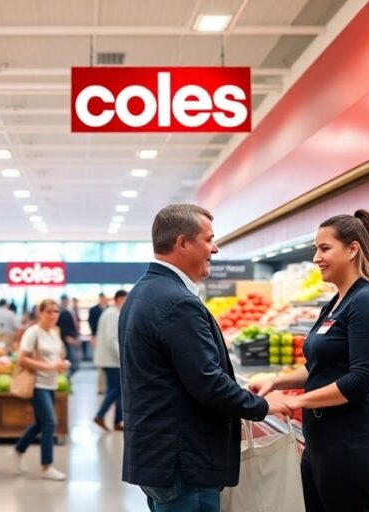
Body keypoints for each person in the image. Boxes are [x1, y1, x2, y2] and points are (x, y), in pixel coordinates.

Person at [120, 204, 285, 512]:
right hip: (184, 460)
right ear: (182, 243)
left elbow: (179, 376)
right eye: (209, 239)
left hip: (160, 456)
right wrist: (263, 406)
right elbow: (208, 383)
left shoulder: (144, 292)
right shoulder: (177, 302)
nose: (215, 248)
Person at [251, 210, 369, 512]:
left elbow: (360, 379)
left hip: (351, 444)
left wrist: (297, 402)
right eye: (316, 249)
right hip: (322, 442)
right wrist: (276, 381)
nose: (316, 257)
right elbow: (319, 365)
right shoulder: (337, 302)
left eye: (325, 248)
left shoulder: (366, 301)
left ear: (352, 249)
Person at [13, 299, 71, 481]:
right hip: (37, 383)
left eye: (56, 311)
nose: (53, 315)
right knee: (50, 423)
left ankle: (19, 449)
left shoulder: (55, 331)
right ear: (41, 313)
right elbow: (22, 359)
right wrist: (49, 367)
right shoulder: (32, 332)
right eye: (49, 311)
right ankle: (47, 466)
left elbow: (55, 356)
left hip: (51, 383)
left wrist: (60, 364)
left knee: (40, 423)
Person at [93, 289, 126, 432]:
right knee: (115, 389)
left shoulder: (110, 312)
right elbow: (112, 339)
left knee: (118, 390)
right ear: (119, 299)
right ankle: (100, 415)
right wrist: (122, 357)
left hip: (109, 359)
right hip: (111, 360)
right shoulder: (113, 314)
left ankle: (118, 421)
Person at [88, 292, 109, 392]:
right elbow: (91, 323)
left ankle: (105, 385)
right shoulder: (94, 309)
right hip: (96, 335)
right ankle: (101, 387)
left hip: (107, 337)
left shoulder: (109, 309)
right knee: (101, 361)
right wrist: (93, 337)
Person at [56, 295, 79, 374]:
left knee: (72, 362)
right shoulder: (61, 312)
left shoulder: (68, 311)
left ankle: (67, 376)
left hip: (70, 338)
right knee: (70, 361)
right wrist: (67, 337)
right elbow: (62, 327)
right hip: (66, 340)